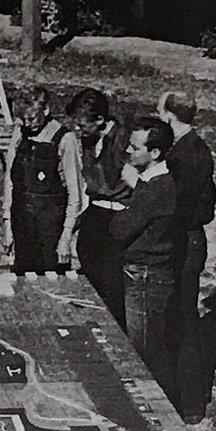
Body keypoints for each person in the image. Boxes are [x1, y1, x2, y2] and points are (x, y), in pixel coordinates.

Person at [106, 118, 179, 395]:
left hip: (146, 276)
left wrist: (118, 215)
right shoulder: (152, 184)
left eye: (136, 148)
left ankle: (163, 409)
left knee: (145, 351)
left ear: (155, 153)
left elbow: (120, 229)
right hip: (145, 273)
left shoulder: (154, 189)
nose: (128, 151)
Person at [159, 90, 216, 419]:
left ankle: (191, 403)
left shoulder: (186, 155)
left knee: (183, 322)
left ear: (170, 116)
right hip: (188, 239)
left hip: (184, 242)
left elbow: (180, 206)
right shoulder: (192, 148)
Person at [3, 85, 81, 274]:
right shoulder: (20, 133)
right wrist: (7, 223)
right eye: (22, 119)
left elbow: (75, 193)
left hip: (50, 228)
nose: (27, 124)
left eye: (30, 118)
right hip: (22, 222)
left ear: (45, 110)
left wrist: (66, 237)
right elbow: (10, 181)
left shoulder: (65, 139)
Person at [64, 88, 127, 318]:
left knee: (112, 282)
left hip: (118, 215)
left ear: (100, 119)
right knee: (88, 270)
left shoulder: (123, 140)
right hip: (96, 211)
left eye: (82, 125)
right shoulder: (90, 140)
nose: (77, 131)